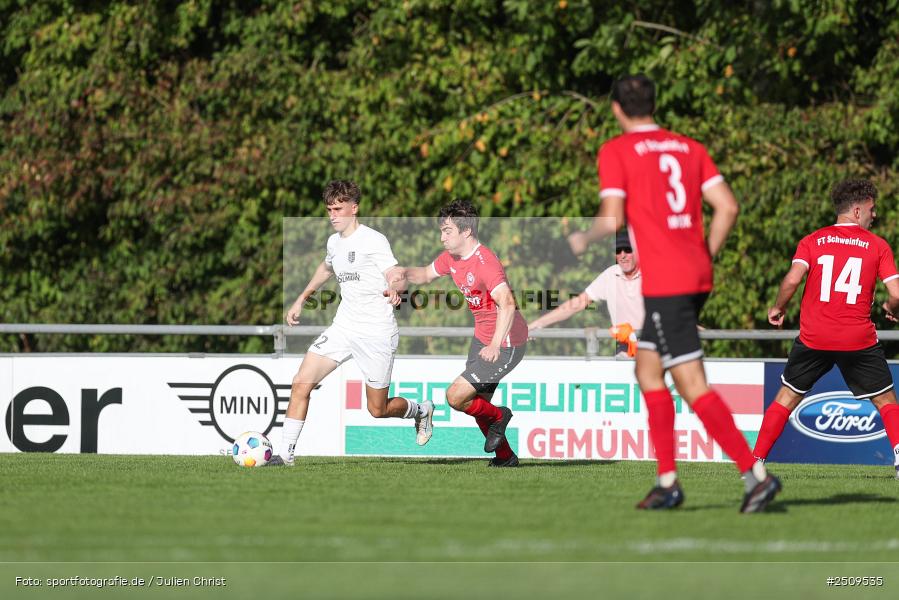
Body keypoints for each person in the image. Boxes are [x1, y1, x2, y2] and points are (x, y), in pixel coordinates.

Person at [568, 74, 780, 512]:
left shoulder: (617, 150)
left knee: (691, 383)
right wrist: (704, 255)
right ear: (654, 103)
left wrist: (582, 239)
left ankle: (754, 475)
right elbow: (728, 206)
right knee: (648, 371)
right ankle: (668, 480)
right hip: (693, 276)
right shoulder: (689, 147)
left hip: (667, 284)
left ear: (617, 109)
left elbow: (611, 220)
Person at [277, 180, 434, 466]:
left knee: (378, 409)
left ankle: (421, 411)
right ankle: (285, 455)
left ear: (354, 207)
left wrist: (395, 289)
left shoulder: (373, 239)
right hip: (343, 328)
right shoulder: (334, 243)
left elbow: (394, 272)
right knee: (301, 383)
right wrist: (301, 298)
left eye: (338, 209)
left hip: (376, 332)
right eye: (329, 210)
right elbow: (325, 268)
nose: (333, 215)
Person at [755, 179, 899, 479]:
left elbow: (793, 279)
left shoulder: (813, 240)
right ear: (857, 211)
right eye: (872, 210)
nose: (875, 215)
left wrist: (778, 307)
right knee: (886, 401)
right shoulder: (878, 246)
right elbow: (896, 293)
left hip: (814, 337)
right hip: (857, 339)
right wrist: (890, 308)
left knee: (786, 398)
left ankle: (755, 461)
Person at [394, 200, 529, 466]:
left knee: (456, 397)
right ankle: (505, 458)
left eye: (447, 231)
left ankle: (501, 417)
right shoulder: (451, 258)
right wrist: (403, 272)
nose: (442, 237)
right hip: (482, 337)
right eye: (442, 231)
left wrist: (494, 344)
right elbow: (424, 274)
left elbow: (508, 303)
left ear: (466, 231)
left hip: (506, 342)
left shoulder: (486, 263)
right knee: (476, 402)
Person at [528, 231, 643, 357]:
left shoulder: (654, 274)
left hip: (654, 346)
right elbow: (576, 304)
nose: (622, 255)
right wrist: (537, 324)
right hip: (624, 349)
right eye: (618, 251)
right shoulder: (610, 275)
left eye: (627, 250)